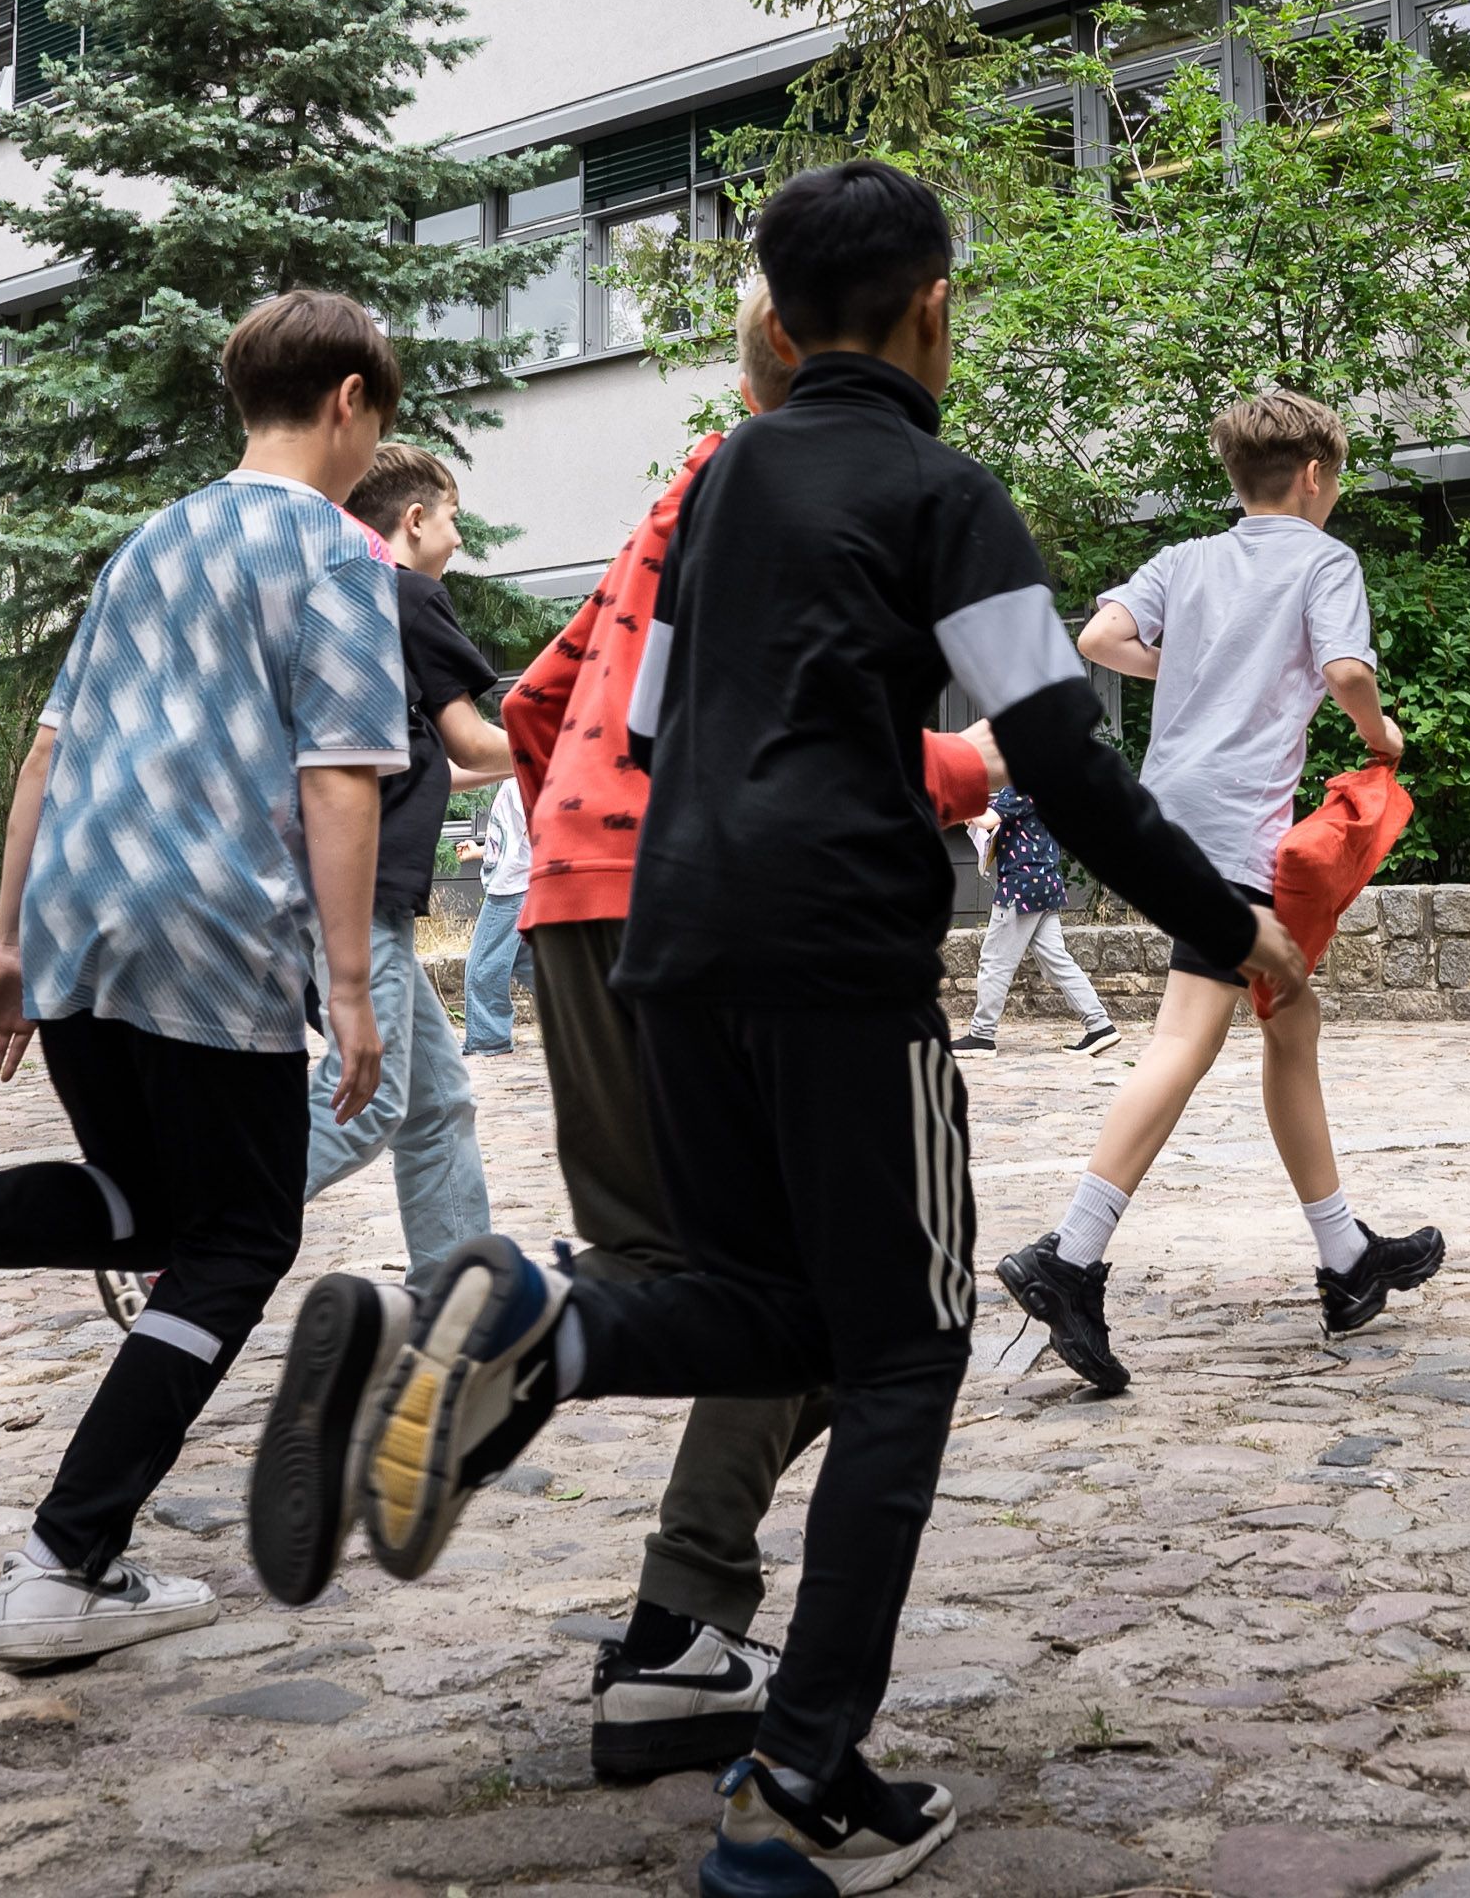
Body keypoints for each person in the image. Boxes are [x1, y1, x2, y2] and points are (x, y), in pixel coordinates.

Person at [258, 162, 1293, 1898]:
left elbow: (645, 721)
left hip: (672, 945)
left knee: (760, 1308)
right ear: (930, 308)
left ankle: (539, 1325)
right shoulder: (944, 491)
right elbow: (1055, 749)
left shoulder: (715, 482)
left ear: (780, 317)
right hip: (831, 962)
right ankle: (798, 1773)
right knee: (901, 1349)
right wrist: (1216, 916)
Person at [0, 291, 410, 1672]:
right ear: (353, 399)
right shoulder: (337, 553)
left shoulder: (147, 545)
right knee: (239, 1242)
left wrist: (12, 942)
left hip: (78, 923)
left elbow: (49, 754)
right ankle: (68, 1559)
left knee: (155, 1211)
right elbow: (340, 776)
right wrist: (349, 988)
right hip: (210, 931)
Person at [484, 278, 1001, 1786]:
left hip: (592, 904)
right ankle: (673, 1622)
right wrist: (962, 769)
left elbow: (537, 705)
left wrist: (576, 859)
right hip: (720, 914)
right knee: (846, 1308)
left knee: (727, 1295)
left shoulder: (686, 485)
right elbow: (797, 724)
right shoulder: (792, 487)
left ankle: (675, 1629)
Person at [996, 388, 1433, 1393]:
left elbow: (1097, 640)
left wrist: (1194, 668)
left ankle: (1344, 1257)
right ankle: (1068, 1257)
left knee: (1290, 1015)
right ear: (1316, 476)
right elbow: (1343, 665)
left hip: (1166, 809)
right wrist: (1380, 738)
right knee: (1186, 1038)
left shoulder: (1184, 560)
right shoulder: (1326, 560)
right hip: (1236, 824)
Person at [299, 440, 510, 1277]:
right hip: (360, 892)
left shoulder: (330, 597)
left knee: (439, 1102)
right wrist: (582, 742)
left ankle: (459, 1295)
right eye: (453, 518)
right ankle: (181, 1235)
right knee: (371, 1095)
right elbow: (473, 739)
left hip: (329, 883)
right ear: (414, 519)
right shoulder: (407, 596)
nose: (458, 538)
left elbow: (436, 764)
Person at [956, 787, 1119, 1054]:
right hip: (1046, 886)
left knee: (994, 961)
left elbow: (987, 820)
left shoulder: (1020, 786)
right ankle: (1100, 1025)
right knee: (1058, 961)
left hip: (1020, 888)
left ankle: (981, 1036)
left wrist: (969, 811)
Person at [459, 775, 531, 1055]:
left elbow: (538, 833)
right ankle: (584, 1013)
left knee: (482, 970)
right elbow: (511, 841)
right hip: (516, 885)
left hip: (511, 890)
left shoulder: (519, 782)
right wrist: (479, 851)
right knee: (533, 965)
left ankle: (489, 1038)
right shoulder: (511, 781)